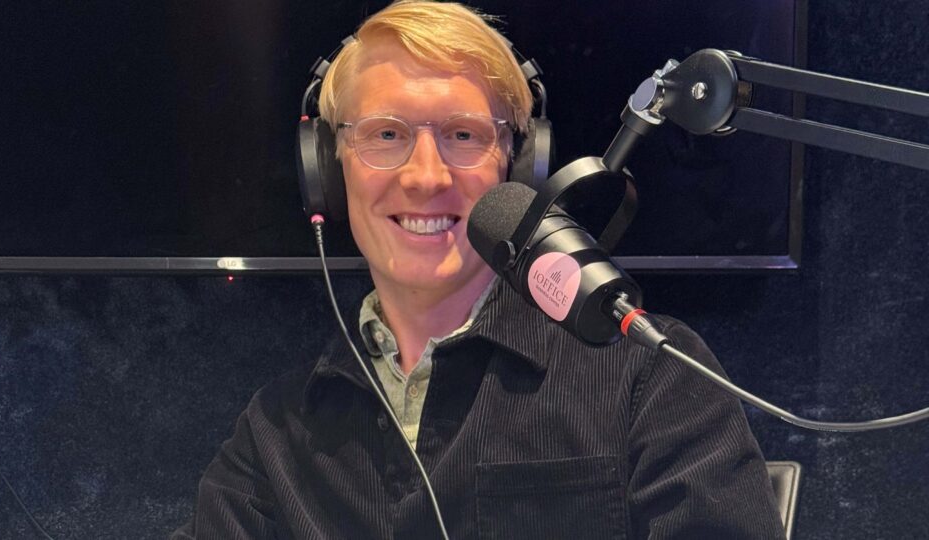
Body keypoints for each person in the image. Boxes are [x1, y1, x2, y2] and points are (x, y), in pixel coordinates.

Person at [175, 1, 785, 537]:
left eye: (463, 135)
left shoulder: (651, 377)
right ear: (328, 172)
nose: (426, 177)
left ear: (518, 168)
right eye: (385, 134)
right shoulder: (274, 436)